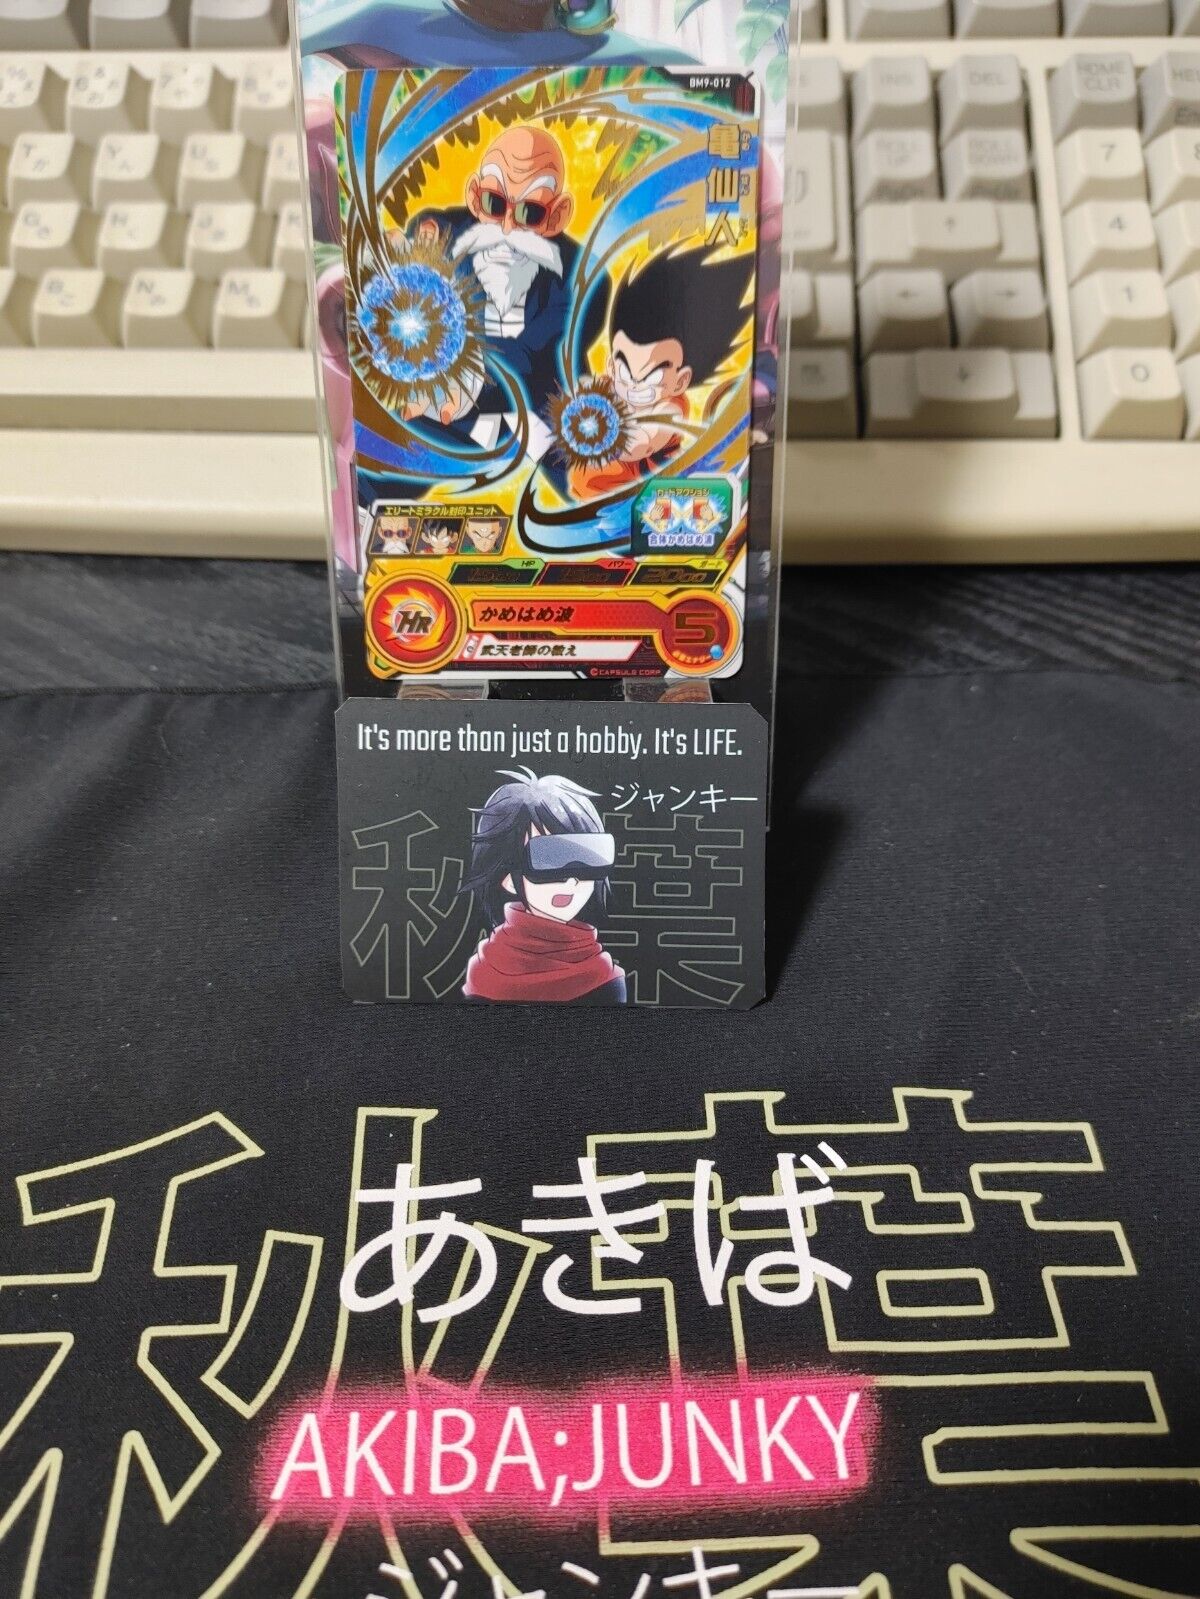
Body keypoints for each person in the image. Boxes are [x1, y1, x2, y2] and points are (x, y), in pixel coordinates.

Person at [410, 125, 579, 458]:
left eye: (530, 212)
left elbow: (533, 364)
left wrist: (469, 381)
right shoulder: (442, 235)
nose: (508, 226)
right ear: (476, 197)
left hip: (529, 425)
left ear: (557, 216)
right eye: (494, 203)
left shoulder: (577, 275)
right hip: (444, 422)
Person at [572, 248, 754, 498]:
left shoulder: (669, 409)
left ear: (680, 381)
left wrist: (595, 430)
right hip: (585, 496)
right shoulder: (606, 387)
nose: (634, 384)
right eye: (624, 369)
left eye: (651, 376)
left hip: (637, 500)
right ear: (611, 365)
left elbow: (640, 443)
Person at [461, 769, 626, 1004]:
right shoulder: (485, 971)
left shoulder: (603, 976)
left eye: (586, 857)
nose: (571, 879)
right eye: (549, 858)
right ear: (508, 877)